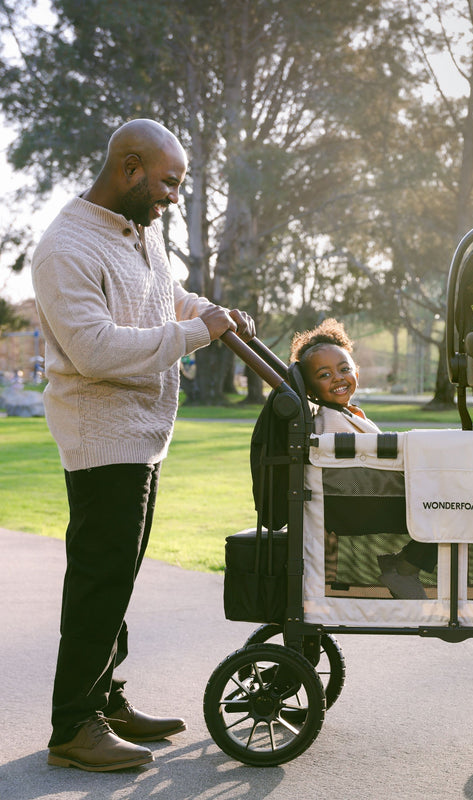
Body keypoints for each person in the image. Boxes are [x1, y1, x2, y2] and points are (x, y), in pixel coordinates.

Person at [32, 118, 256, 772]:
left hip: (144, 436)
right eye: (166, 184)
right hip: (101, 437)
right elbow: (95, 348)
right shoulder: (65, 248)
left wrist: (212, 311)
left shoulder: (140, 232)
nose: (170, 200)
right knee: (100, 581)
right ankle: (74, 725)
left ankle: (105, 696)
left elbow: (167, 297)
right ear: (129, 167)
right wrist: (195, 335)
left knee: (119, 580)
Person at [290, 319, 436, 599]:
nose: (338, 377)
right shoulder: (328, 420)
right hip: (359, 501)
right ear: (309, 389)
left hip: (373, 493)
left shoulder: (349, 413)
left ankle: (404, 565)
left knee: (454, 503)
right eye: (324, 374)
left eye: (344, 369)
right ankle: (404, 567)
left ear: (356, 370)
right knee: (453, 506)